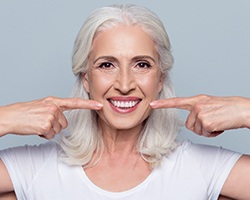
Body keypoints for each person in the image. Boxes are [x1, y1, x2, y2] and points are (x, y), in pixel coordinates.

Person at [0, 4, 250, 200]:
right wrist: (4, 119)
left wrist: (246, 112)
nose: (124, 84)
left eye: (142, 65)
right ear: (86, 78)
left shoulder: (200, 167)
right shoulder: (35, 168)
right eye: (107, 65)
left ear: (160, 78)